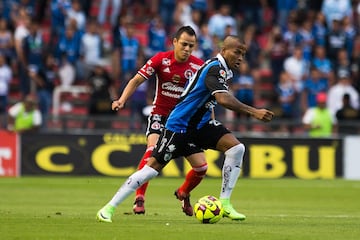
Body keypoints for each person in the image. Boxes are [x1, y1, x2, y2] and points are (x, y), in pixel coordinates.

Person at [97, 35, 274, 223]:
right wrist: (253, 111)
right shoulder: (215, 68)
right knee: (151, 169)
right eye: (237, 52)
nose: (240, 58)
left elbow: (209, 100)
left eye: (243, 54)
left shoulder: (221, 70)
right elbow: (223, 99)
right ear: (223, 51)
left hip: (199, 126)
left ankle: (225, 203)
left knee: (236, 148)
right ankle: (109, 207)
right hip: (179, 126)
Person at [109, 26, 204, 214]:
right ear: (174, 42)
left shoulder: (199, 66)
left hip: (184, 121)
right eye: (184, 44)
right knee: (152, 151)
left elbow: (206, 97)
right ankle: (139, 197)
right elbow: (136, 80)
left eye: (191, 46)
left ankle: (183, 192)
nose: (187, 49)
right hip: (160, 115)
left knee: (201, 167)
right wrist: (121, 100)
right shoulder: (161, 59)